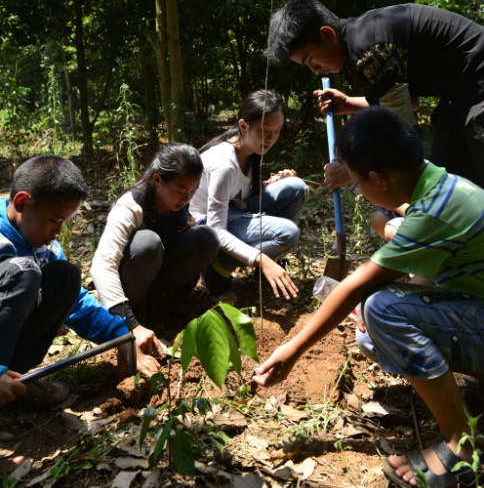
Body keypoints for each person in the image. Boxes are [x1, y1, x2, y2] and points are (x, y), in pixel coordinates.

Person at [253, 107, 484, 488]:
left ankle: (464, 446)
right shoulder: (442, 184)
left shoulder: (433, 214)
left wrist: (292, 350)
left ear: (379, 178)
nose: (357, 190)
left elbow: (357, 284)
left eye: (358, 183)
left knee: (383, 307)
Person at [265, 0, 484, 189]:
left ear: (328, 34)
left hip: (476, 82)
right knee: (451, 179)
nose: (313, 70)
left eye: (310, 59)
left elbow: (406, 137)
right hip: (460, 94)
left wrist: (353, 171)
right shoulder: (360, 39)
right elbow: (409, 103)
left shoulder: (370, 52)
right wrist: (350, 104)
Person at [0, 156, 161, 414]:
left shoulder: (47, 246)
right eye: (54, 220)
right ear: (22, 202)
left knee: (67, 277)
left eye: (65, 222)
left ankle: (14, 381)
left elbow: (76, 302)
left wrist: (120, 335)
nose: (58, 232)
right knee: (24, 272)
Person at [92, 145, 219, 344]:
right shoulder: (130, 206)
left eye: (193, 191)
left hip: (158, 276)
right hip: (131, 281)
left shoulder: (179, 201)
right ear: (157, 180)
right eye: (180, 191)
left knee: (207, 237)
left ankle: (161, 300)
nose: (186, 198)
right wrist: (129, 324)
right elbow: (102, 265)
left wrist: (191, 221)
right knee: (147, 244)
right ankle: (137, 313)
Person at [190, 90, 307, 303]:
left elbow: (235, 192)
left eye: (278, 131)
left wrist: (269, 184)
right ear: (243, 126)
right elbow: (216, 229)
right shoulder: (224, 164)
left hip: (233, 208)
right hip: (206, 227)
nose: (271, 138)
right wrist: (261, 258)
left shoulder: (249, 150)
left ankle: (265, 269)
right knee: (288, 234)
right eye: (265, 130)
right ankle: (218, 268)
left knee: (296, 188)